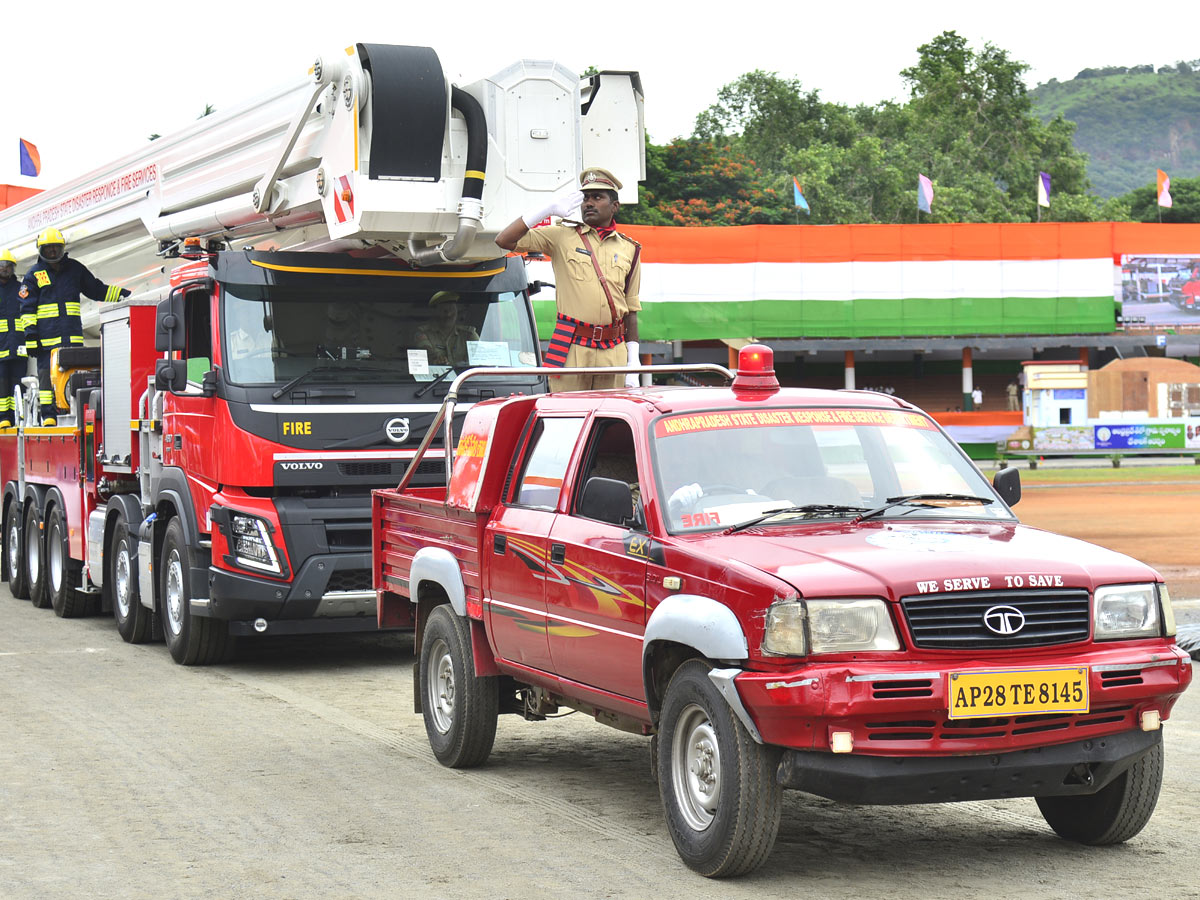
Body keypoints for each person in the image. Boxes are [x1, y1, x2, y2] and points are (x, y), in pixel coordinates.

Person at [496, 167, 641, 392]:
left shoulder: (629, 248)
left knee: (612, 420)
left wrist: (633, 361)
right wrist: (547, 210)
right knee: (566, 417)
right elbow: (504, 240)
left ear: (615, 206)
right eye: (585, 198)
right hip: (572, 346)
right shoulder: (561, 236)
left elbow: (631, 308)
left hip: (614, 350)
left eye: (597, 197)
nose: (588, 203)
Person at [20, 228, 129, 424]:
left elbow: (95, 289)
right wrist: (30, 336)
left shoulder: (75, 269)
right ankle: (49, 416)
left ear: (62, 248)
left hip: (72, 337)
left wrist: (121, 293)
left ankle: (75, 410)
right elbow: (27, 308)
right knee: (47, 379)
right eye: (49, 249)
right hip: (46, 340)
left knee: (76, 376)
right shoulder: (33, 275)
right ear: (41, 251)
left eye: (56, 248)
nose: (53, 252)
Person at [411, 291, 479, 367]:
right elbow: (426, 352)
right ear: (435, 312)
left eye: (451, 309)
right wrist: (435, 359)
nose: (448, 314)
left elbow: (479, 360)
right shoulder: (423, 333)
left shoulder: (469, 334)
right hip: (434, 378)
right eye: (444, 310)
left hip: (464, 378)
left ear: (457, 311)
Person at [0, 250, 25, 428]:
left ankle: (17, 417)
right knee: (2, 384)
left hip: (18, 345)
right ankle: (3, 418)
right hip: (1, 346)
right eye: (2, 266)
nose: (5, 269)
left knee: (18, 382)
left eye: (9, 266)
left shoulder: (22, 289)